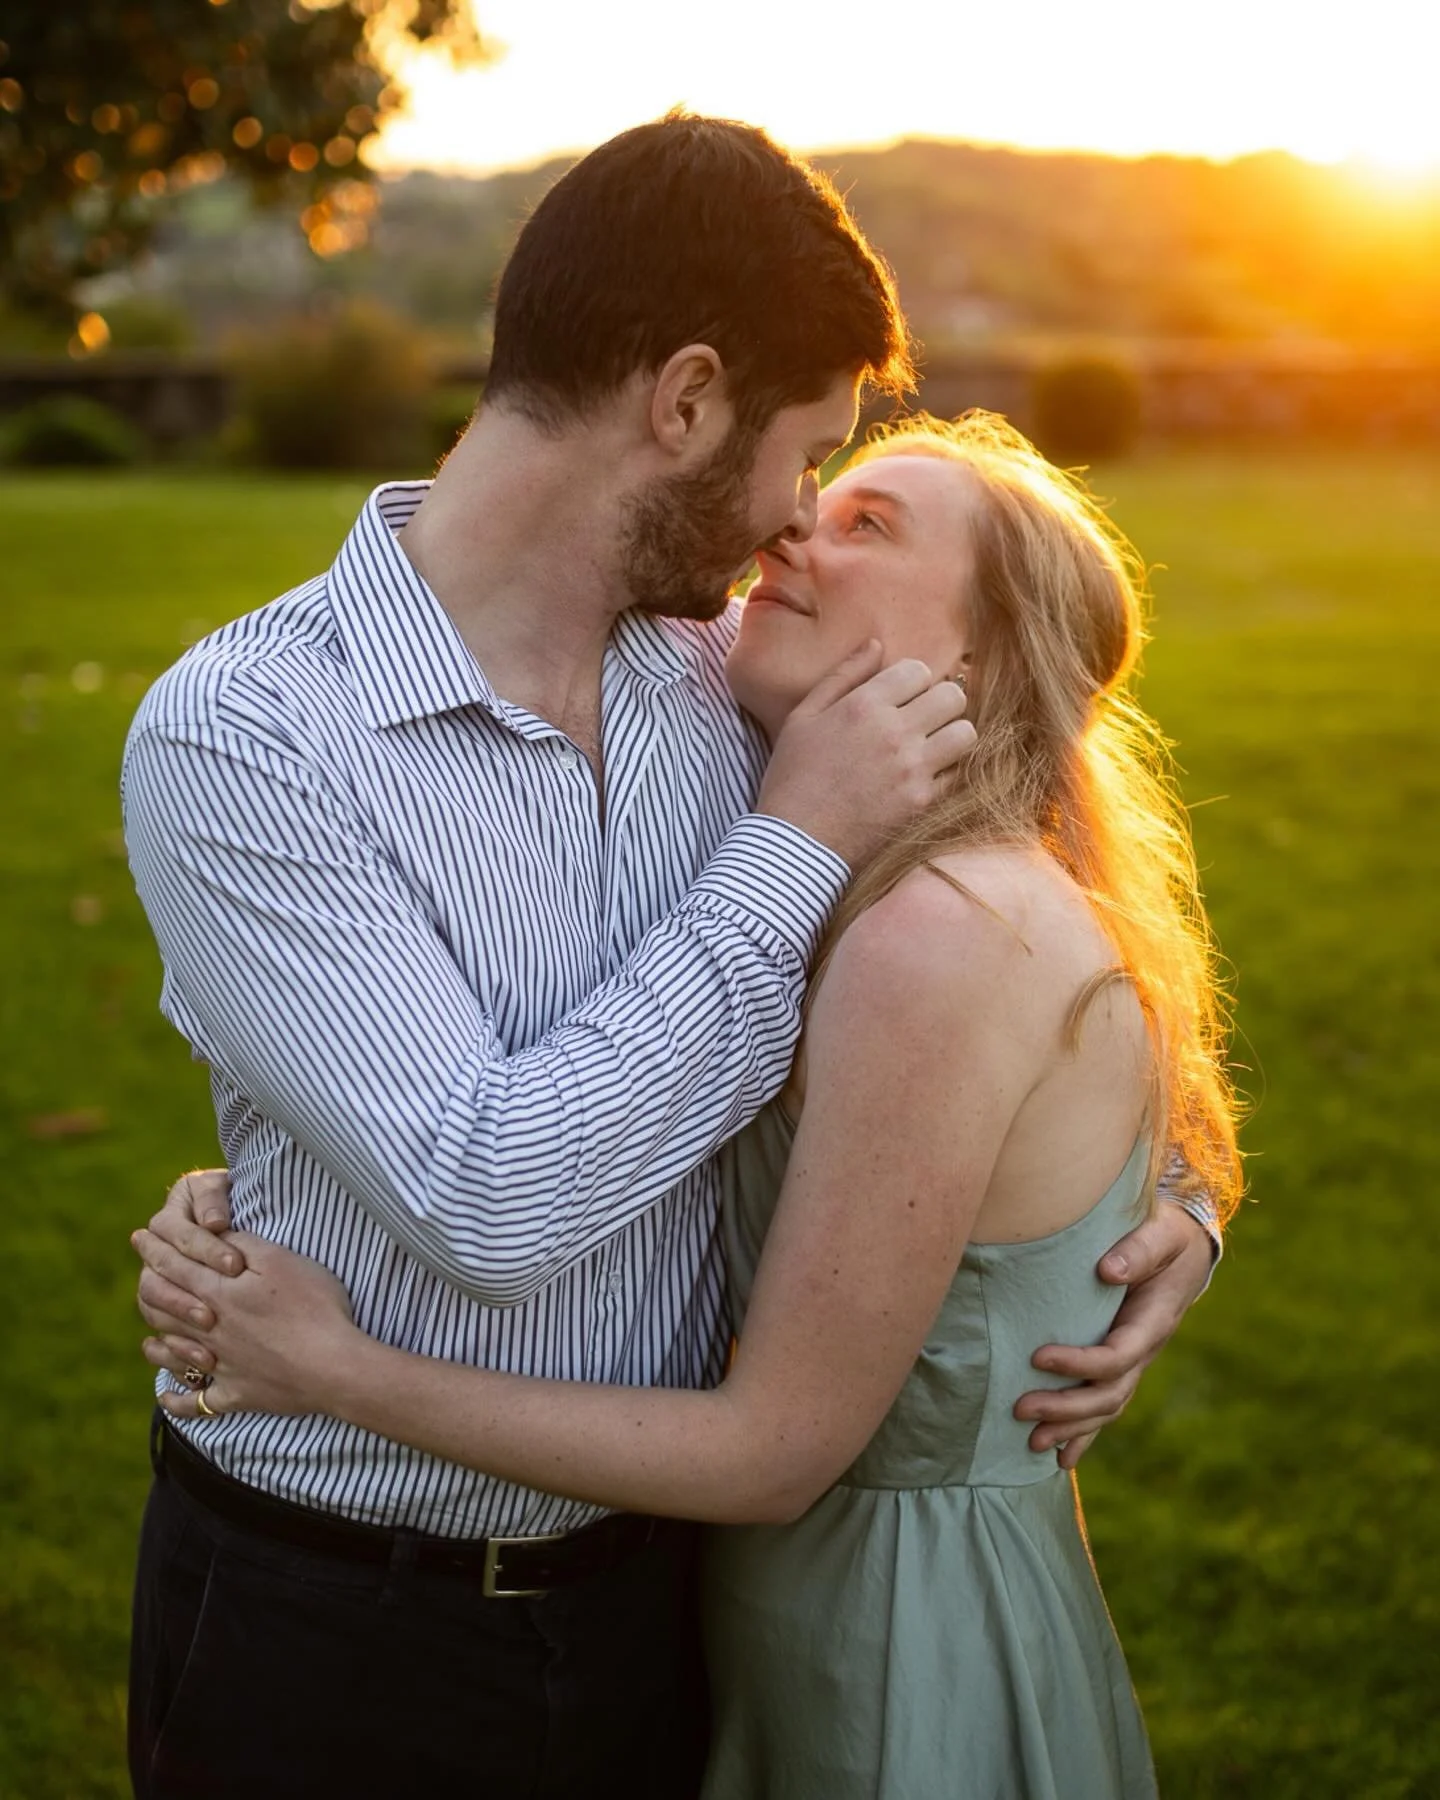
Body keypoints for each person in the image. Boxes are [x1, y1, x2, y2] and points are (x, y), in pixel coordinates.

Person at [125, 114, 1219, 1800]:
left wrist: (1182, 1207)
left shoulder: (731, 677)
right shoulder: (248, 736)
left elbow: (1067, 931)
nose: (792, 521)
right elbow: (492, 1199)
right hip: (339, 1624)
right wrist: (797, 842)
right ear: (687, 401)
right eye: (807, 455)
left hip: (667, 1604)